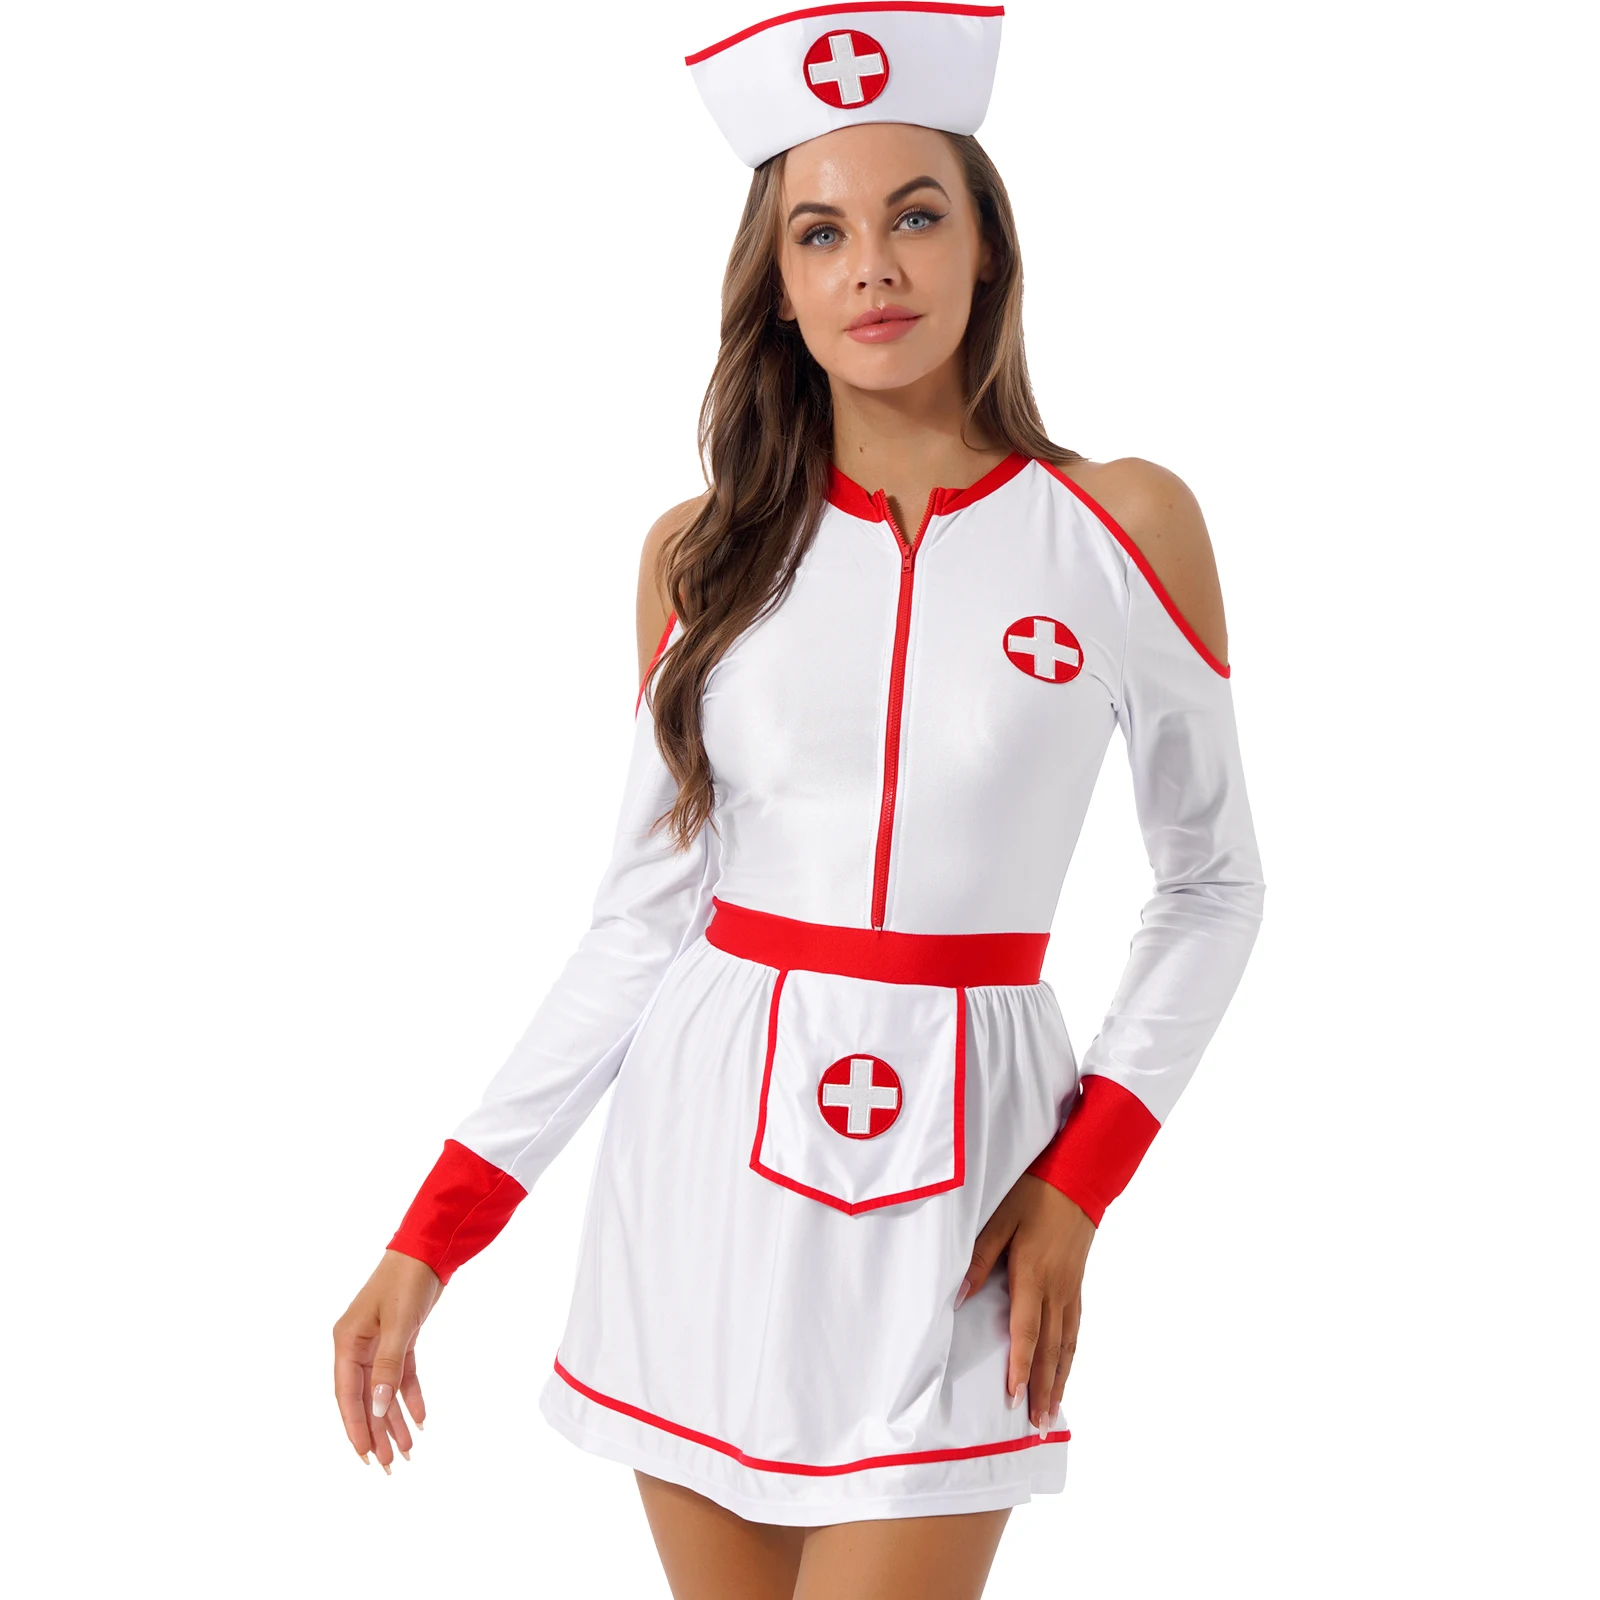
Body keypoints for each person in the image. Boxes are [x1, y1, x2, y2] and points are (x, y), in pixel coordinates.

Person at [332, 7, 1266, 1596]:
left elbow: (1213, 884)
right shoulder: (701, 556)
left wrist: (1081, 1182)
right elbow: (639, 926)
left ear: (988, 245)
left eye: (917, 216)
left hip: (971, 1185)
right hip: (704, 1166)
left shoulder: (1121, 527)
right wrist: (435, 1233)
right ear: (776, 281)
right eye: (821, 233)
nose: (873, 268)